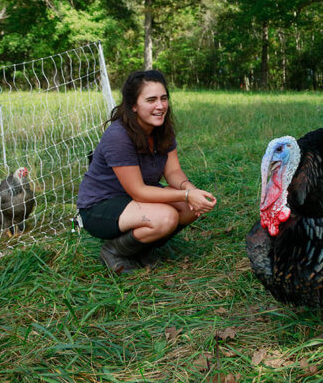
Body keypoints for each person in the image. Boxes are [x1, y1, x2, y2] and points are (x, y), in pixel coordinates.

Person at [76, 70, 217, 274]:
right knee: (166, 216)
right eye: (151, 100)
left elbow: (174, 171)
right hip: (100, 206)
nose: (160, 106)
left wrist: (192, 192)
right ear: (133, 105)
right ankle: (114, 251)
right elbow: (139, 191)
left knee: (189, 208)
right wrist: (186, 195)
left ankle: (141, 248)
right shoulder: (119, 136)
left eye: (163, 98)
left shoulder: (161, 129)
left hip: (136, 201)